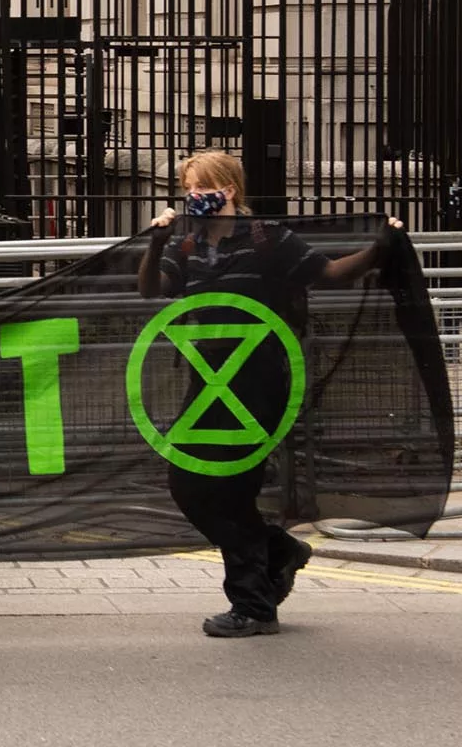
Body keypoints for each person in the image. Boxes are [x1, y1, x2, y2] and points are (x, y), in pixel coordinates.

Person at [139, 150, 402, 639]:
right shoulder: (190, 244)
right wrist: (156, 243)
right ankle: (278, 552)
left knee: (234, 490)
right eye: (189, 188)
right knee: (188, 484)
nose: (193, 196)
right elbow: (151, 291)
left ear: (229, 189)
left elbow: (330, 275)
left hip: (259, 380)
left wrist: (381, 246)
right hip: (207, 379)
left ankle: (254, 607)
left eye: (201, 187)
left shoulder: (269, 240)